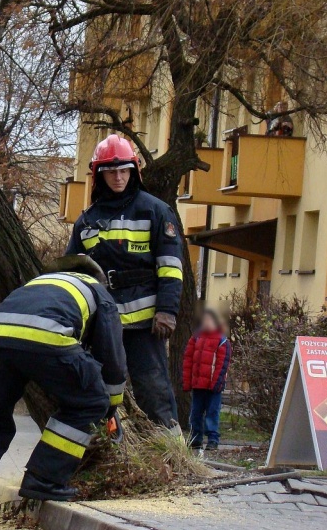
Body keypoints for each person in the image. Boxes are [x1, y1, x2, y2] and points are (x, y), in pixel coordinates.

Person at [0, 256, 127, 526]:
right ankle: (44, 479)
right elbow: (112, 361)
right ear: (98, 278)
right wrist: (110, 407)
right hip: (48, 334)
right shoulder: (99, 292)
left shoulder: (38, 284)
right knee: (90, 401)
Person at [66, 134, 183, 433]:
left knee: (153, 389)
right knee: (102, 392)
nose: (118, 177)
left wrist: (167, 311)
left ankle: (172, 453)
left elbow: (170, 267)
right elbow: (72, 274)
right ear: (99, 175)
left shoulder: (156, 211)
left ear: (134, 170)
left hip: (146, 324)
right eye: (110, 171)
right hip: (104, 323)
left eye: (123, 170)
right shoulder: (86, 221)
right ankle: (107, 452)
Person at [182, 309, 231, 451]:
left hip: (213, 385)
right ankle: (196, 438)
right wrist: (187, 382)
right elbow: (188, 361)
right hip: (198, 385)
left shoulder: (222, 341)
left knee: (212, 412)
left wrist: (217, 383)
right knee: (196, 412)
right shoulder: (196, 338)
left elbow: (223, 364)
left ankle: (213, 439)